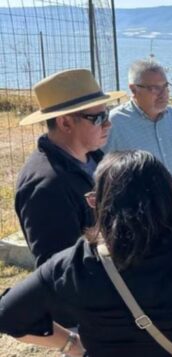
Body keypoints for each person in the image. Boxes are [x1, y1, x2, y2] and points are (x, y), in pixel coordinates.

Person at [0, 150, 172, 356]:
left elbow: (7, 314)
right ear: (169, 200)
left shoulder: (73, 264)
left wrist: (70, 344)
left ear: (102, 204)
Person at [15, 68, 125, 268]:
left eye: (106, 114)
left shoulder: (96, 158)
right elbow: (60, 270)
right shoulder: (46, 185)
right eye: (99, 118)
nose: (108, 124)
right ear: (65, 123)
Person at [104, 58, 172, 216]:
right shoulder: (115, 123)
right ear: (133, 90)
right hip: (137, 218)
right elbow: (100, 173)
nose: (163, 94)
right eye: (154, 88)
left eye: (165, 86)